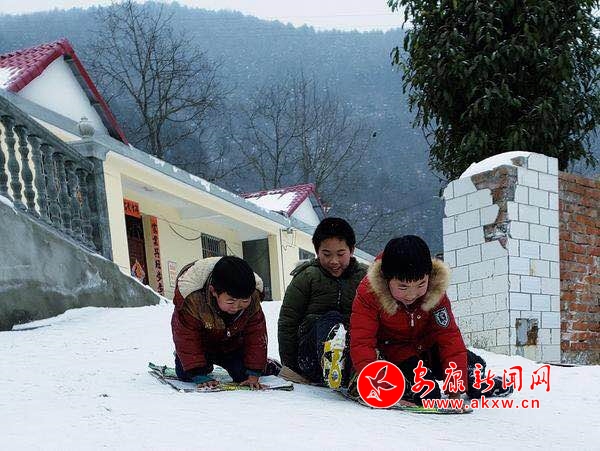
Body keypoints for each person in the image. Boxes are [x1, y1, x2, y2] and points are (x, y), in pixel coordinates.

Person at [349, 235, 512, 404]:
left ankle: (477, 383)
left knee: (471, 366)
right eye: (403, 287)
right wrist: (374, 383)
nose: (411, 294)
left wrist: (455, 392)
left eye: (421, 284)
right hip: (398, 353)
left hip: (429, 347)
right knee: (428, 393)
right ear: (386, 279)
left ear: (429, 276)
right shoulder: (369, 292)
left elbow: (449, 336)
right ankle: (407, 389)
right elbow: (362, 341)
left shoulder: (435, 289)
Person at [278, 217, 368, 387]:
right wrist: (290, 366)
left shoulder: (364, 279)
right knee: (331, 319)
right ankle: (333, 362)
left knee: (355, 327)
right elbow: (288, 321)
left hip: (353, 352)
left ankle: (355, 373)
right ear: (317, 251)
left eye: (340, 254)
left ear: (352, 250)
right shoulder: (307, 277)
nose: (334, 261)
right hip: (310, 357)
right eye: (326, 254)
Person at [171, 255, 278, 389]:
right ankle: (201, 365)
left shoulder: (253, 298)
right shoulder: (192, 300)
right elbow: (186, 337)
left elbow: (256, 336)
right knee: (186, 374)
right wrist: (197, 372)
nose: (237, 306)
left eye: (245, 300)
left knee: (243, 375)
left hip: (233, 345)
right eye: (231, 301)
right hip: (202, 346)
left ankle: (267, 364)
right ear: (213, 291)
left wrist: (254, 371)